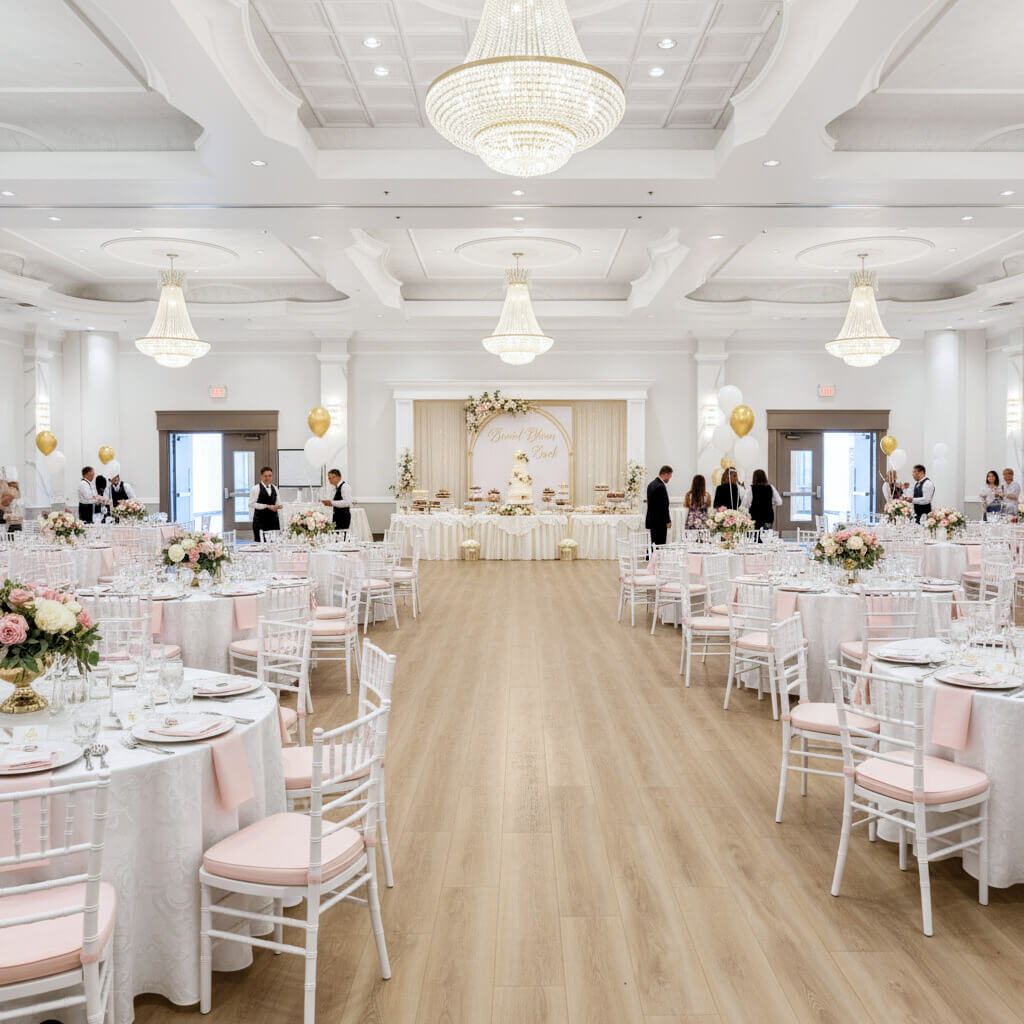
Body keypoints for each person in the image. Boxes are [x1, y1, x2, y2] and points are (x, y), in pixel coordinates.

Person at [742, 468, 783, 535]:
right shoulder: (771, 487)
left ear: (754, 478)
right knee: (766, 536)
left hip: (755, 517)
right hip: (768, 516)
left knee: (755, 536)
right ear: (765, 477)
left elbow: (745, 504)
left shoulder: (750, 489)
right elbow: (779, 502)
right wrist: (771, 502)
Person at [249, 466, 282, 541]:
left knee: (274, 543)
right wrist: (267, 506)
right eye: (265, 476)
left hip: (273, 521)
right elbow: (251, 504)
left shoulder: (275, 488)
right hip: (260, 521)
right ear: (261, 476)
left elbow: (278, 502)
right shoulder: (255, 488)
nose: (268, 478)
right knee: (260, 543)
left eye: (270, 476)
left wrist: (278, 506)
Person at [644, 465, 673, 547]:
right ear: (666, 474)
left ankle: (650, 558)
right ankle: (657, 559)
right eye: (669, 477)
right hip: (660, 521)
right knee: (659, 544)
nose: (669, 479)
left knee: (652, 542)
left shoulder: (651, 484)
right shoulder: (660, 486)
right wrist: (668, 520)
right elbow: (663, 506)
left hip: (652, 520)